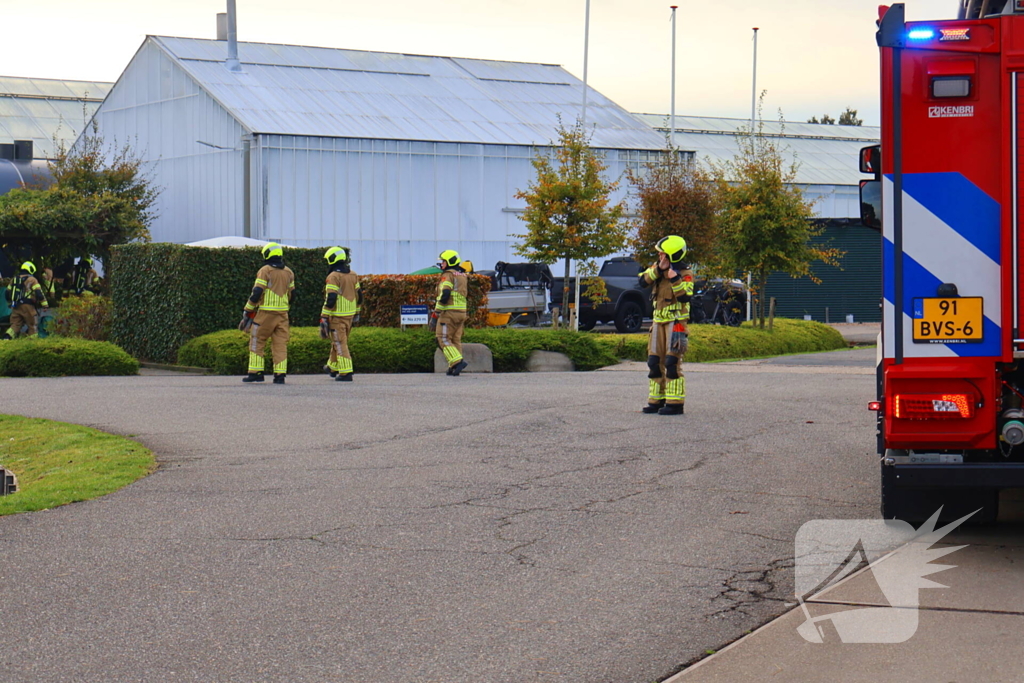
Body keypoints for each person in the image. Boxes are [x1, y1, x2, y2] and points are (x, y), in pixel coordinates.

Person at [639, 236, 694, 415]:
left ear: (672, 255)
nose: (660, 256)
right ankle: (656, 399)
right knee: (654, 361)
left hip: (676, 323)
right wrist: (658, 270)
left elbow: (686, 296)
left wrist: (674, 279)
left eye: (663, 254)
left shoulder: (685, 273)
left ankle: (675, 403)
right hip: (657, 322)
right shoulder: (657, 267)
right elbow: (642, 281)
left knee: (672, 362)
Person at [238, 242, 295, 384]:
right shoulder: (289, 272)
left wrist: (248, 308)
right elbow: (292, 294)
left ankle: (255, 372)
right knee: (280, 344)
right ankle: (280, 375)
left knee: (257, 340)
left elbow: (257, 291)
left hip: (266, 313)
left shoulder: (265, 270)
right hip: (283, 314)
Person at [319, 246, 361, 382]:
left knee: (339, 342)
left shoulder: (333, 276)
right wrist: (357, 311)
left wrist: (324, 315)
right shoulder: (353, 274)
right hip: (350, 315)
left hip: (337, 316)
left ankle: (346, 372)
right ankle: (332, 366)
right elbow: (359, 295)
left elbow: (331, 298)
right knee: (338, 341)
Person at [432, 249, 469, 376]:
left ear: (449, 262)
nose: (441, 264)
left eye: (443, 261)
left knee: (443, 338)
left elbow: (445, 293)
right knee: (455, 339)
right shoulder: (462, 275)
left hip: (448, 312)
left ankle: (457, 362)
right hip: (461, 312)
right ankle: (453, 367)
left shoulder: (448, 275)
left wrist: (436, 312)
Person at [2, 261, 49, 339]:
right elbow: (39, 293)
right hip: (28, 306)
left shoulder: (14, 279)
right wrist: (45, 305)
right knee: (32, 325)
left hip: (16, 306)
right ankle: (32, 344)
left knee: (15, 325)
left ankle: (6, 339)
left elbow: (7, 293)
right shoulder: (32, 279)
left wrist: (10, 303)